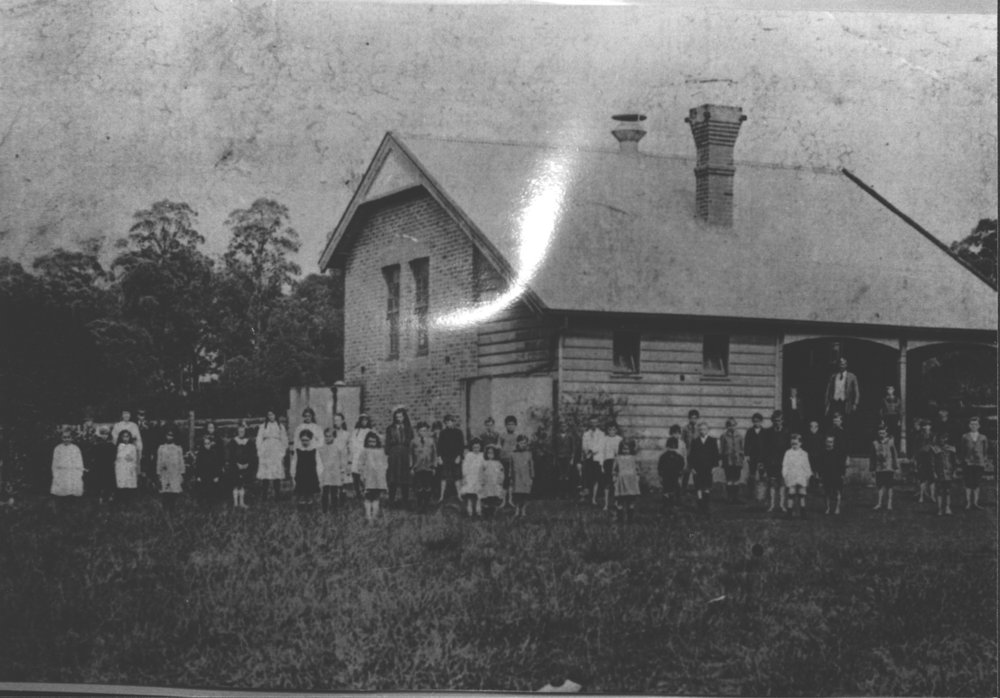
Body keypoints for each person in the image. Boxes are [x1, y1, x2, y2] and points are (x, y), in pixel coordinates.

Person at [688, 421, 719, 516]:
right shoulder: (695, 441)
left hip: (708, 468)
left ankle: (706, 505)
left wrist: (714, 466)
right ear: (698, 431)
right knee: (698, 486)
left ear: (708, 430)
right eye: (700, 429)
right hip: (698, 468)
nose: (702, 431)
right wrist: (692, 467)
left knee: (707, 486)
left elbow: (715, 454)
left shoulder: (712, 441)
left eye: (704, 429)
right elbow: (691, 455)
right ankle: (700, 504)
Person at [256, 410, 288, 502]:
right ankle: (264, 495)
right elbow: (259, 439)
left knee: (276, 473)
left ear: (276, 415)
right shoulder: (263, 426)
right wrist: (260, 450)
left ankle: (277, 495)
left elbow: (284, 439)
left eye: (273, 415)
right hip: (266, 451)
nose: (271, 417)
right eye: (269, 415)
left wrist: (282, 452)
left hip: (276, 451)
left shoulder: (280, 426)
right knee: (265, 473)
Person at [385, 407, 413, 507]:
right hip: (394, 454)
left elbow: (411, 442)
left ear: (404, 417)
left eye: (400, 417)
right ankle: (391, 500)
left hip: (405, 453)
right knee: (393, 477)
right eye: (397, 417)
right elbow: (387, 443)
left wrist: (410, 455)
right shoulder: (390, 428)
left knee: (405, 477)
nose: (399, 419)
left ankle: (405, 500)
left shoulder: (408, 428)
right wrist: (388, 454)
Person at [356, 431, 388, 522]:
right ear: (367, 442)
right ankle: (368, 515)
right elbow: (360, 463)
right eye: (369, 441)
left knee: (376, 497)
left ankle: (374, 516)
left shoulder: (380, 451)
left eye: (373, 441)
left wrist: (383, 473)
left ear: (377, 442)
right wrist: (362, 474)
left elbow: (384, 464)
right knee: (368, 497)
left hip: (378, 477)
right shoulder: (365, 451)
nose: (371, 443)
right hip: (368, 477)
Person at [960, 416, 989, 511]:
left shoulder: (983, 437)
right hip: (968, 463)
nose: (974, 426)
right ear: (969, 425)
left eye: (976, 424)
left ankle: (975, 503)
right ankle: (968, 503)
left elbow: (985, 451)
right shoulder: (965, 436)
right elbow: (962, 450)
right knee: (968, 483)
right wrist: (964, 460)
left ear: (979, 426)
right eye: (972, 424)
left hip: (979, 463)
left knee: (976, 483)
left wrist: (984, 460)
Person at [763, 411, 790, 513]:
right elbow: (765, 448)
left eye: (779, 420)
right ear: (772, 421)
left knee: (782, 484)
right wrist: (765, 462)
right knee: (772, 484)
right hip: (772, 462)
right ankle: (772, 505)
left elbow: (789, 448)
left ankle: (782, 505)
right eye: (775, 421)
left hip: (783, 462)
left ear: (782, 421)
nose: (777, 422)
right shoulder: (768, 432)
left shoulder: (787, 432)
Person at [225, 422, 256, 511]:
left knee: (242, 484)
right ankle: (235, 503)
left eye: (243, 431)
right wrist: (236, 464)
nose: (241, 433)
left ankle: (242, 502)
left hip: (245, 466)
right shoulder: (233, 442)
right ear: (237, 432)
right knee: (235, 484)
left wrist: (247, 463)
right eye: (239, 431)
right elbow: (230, 455)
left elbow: (252, 454)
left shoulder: (249, 442)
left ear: (245, 432)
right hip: (235, 466)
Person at [782, 434, 812, 519]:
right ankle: (789, 513)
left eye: (796, 443)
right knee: (791, 494)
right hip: (791, 476)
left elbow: (807, 466)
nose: (794, 445)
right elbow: (785, 465)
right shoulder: (788, 453)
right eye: (792, 444)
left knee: (802, 494)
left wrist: (808, 476)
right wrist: (785, 475)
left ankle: (803, 513)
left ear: (800, 443)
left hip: (801, 476)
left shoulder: (804, 453)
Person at [318, 427, 348, 513]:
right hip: (325, 472)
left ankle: (334, 509)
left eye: (329, 436)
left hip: (335, 472)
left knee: (334, 492)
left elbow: (342, 460)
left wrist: (342, 470)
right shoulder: (321, 448)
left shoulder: (338, 448)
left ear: (334, 437)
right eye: (326, 436)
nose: (327, 438)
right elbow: (320, 460)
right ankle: (324, 509)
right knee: (325, 492)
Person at [50, 428, 84, 502]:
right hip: (61, 473)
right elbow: (55, 462)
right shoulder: (58, 448)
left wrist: (79, 473)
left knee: (72, 491)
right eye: (64, 437)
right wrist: (55, 474)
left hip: (72, 472)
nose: (66, 439)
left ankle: (71, 503)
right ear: (61, 438)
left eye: (68, 437)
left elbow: (79, 461)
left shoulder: (75, 448)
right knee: (61, 492)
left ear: (71, 438)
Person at [410, 421, 438, 512]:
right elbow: (410, 454)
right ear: (418, 431)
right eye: (421, 430)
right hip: (418, 467)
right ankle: (419, 504)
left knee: (427, 486)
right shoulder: (413, 441)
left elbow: (434, 454)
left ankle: (426, 505)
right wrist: (411, 467)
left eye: (425, 430)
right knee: (419, 486)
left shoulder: (431, 441)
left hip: (428, 467)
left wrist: (434, 466)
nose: (423, 432)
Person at [871, 425, 899, 511]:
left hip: (888, 467)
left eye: (883, 433)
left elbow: (894, 455)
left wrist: (895, 466)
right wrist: (872, 468)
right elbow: (872, 456)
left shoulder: (890, 442)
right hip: (879, 467)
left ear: (886, 433)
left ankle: (889, 504)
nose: (881, 434)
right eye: (880, 433)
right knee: (879, 486)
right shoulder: (875, 443)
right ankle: (879, 503)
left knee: (889, 486)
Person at [437, 415, 465, 503]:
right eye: (447, 422)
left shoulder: (458, 432)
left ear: (453, 422)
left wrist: (459, 456)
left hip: (455, 457)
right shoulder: (443, 433)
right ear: (445, 423)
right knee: (443, 476)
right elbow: (439, 446)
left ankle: (459, 495)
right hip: (445, 458)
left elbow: (461, 445)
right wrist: (439, 457)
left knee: (457, 476)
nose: (449, 423)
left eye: (451, 421)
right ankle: (441, 496)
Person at [157, 429, 186, 512]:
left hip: (174, 472)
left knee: (174, 490)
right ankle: (165, 508)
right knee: (165, 490)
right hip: (165, 472)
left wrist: (182, 473)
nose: (169, 437)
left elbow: (181, 461)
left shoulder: (178, 448)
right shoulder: (161, 448)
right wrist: (158, 473)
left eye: (171, 436)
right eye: (168, 435)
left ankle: (172, 508)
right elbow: (159, 461)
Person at [194, 433, 225, 507]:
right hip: (203, 477)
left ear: (211, 444)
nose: (207, 445)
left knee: (212, 493)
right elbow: (198, 466)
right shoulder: (200, 454)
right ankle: (202, 507)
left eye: (208, 443)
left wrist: (217, 476)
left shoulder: (214, 453)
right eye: (205, 444)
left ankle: (211, 507)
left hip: (212, 476)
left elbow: (217, 466)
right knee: (203, 493)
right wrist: (198, 476)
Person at [824, 357, 860, 422]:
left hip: (845, 403)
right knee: (833, 420)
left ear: (846, 365)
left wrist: (855, 403)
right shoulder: (833, 376)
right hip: (834, 402)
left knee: (845, 421)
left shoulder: (852, 376)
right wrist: (827, 403)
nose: (842, 366)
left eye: (843, 364)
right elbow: (828, 390)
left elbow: (856, 392)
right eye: (840, 364)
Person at [613, 438, 641, 523]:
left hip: (631, 480)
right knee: (620, 500)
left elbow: (637, 470)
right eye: (623, 449)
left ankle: (630, 519)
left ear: (631, 449)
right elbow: (614, 469)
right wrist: (614, 477)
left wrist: (637, 477)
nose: (625, 451)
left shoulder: (633, 458)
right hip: (621, 480)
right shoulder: (618, 458)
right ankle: (620, 518)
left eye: (627, 449)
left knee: (631, 500)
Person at [291, 431, 322, 505]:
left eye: (307, 440)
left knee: (310, 487)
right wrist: (293, 474)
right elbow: (294, 463)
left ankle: (310, 498)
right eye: (303, 440)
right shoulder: (298, 451)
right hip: (300, 474)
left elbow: (319, 463)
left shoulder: (314, 451)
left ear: (310, 440)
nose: (305, 442)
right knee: (301, 487)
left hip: (311, 474)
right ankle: (302, 499)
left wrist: (320, 475)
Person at [719, 417, 745, 504]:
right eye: (730, 425)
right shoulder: (724, 436)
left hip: (737, 460)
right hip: (728, 460)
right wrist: (722, 459)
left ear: (736, 425)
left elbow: (742, 448)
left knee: (736, 479)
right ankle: (729, 497)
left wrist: (741, 458)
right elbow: (721, 449)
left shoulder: (740, 436)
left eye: (733, 425)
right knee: (729, 479)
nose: (732, 427)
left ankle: (735, 497)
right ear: (727, 426)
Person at [349, 414, 375, 501]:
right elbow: (352, 442)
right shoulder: (355, 431)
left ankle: (367, 491)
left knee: (365, 474)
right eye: (362, 420)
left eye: (366, 420)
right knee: (355, 473)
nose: (364, 422)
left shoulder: (370, 431)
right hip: (356, 454)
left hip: (365, 454)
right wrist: (353, 452)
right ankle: (358, 492)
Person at [580, 416, 605, 504]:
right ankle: (586, 496)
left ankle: (593, 498)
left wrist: (592, 450)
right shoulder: (586, 434)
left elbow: (600, 445)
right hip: (588, 458)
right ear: (589, 423)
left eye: (595, 422)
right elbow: (584, 445)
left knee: (596, 479)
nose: (593, 424)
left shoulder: (601, 434)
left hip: (597, 458)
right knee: (587, 478)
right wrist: (587, 451)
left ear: (598, 423)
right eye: (592, 422)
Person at [817, 435, 844, 515]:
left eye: (831, 442)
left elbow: (841, 464)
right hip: (826, 475)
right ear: (825, 442)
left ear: (833, 443)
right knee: (827, 493)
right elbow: (820, 464)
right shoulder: (822, 452)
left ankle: (837, 508)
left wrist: (842, 474)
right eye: (828, 442)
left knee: (837, 492)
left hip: (836, 475)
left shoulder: (838, 452)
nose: (829, 444)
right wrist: (820, 474)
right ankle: (828, 508)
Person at [598, 423, 623, 511]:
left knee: (616, 483)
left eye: (613, 430)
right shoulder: (604, 439)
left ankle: (616, 503)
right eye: (610, 430)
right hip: (607, 462)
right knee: (607, 484)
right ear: (607, 430)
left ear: (616, 430)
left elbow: (621, 453)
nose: (612, 431)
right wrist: (601, 465)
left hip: (616, 462)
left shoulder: (619, 439)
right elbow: (601, 452)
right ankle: (606, 504)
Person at [497, 416, 520, 509]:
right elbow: (499, 446)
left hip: (513, 461)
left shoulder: (517, 437)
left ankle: (510, 500)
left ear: (515, 425)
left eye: (512, 424)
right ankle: (503, 501)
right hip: (504, 460)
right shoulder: (502, 436)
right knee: (504, 480)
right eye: (509, 424)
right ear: (506, 426)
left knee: (511, 480)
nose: (510, 426)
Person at [90, 426, 117, 504]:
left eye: (106, 434)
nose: (104, 436)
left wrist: (113, 461)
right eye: (102, 434)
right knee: (100, 480)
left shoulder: (111, 445)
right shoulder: (96, 444)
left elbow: (114, 455)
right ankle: (100, 496)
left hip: (108, 465)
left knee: (109, 480)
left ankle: (109, 495)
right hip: (99, 465)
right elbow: (94, 455)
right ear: (100, 435)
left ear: (108, 435)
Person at [932, 431, 957, 516]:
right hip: (939, 472)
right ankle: (939, 509)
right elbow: (932, 462)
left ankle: (947, 508)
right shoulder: (935, 449)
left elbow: (954, 461)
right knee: (939, 490)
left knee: (947, 490)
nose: (943, 440)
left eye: (945, 438)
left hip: (949, 472)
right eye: (941, 438)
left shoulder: (951, 449)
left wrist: (954, 472)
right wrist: (934, 472)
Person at [657, 436, 685, 513]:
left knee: (672, 491)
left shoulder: (678, 457)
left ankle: (671, 506)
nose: (671, 449)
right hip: (668, 476)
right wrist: (660, 476)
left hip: (673, 477)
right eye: (670, 447)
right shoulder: (664, 457)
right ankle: (667, 506)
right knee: (668, 491)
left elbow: (681, 467)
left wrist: (680, 475)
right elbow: (660, 467)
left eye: (673, 447)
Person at [911, 419, 936, 504]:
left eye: (927, 426)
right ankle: (921, 496)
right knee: (922, 478)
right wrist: (915, 459)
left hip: (932, 458)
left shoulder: (933, 436)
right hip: (922, 458)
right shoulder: (919, 436)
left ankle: (932, 496)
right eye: (924, 426)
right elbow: (915, 448)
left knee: (932, 478)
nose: (926, 427)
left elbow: (935, 446)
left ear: (930, 427)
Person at [553, 421, 579, 500]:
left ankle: (567, 493)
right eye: (562, 426)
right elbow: (554, 448)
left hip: (567, 457)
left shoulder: (570, 436)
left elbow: (573, 448)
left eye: (565, 426)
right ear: (560, 427)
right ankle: (559, 493)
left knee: (567, 476)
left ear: (567, 427)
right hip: (559, 458)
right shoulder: (557, 436)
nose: (563, 428)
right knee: (560, 476)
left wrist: (572, 459)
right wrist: (555, 459)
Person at [510, 434, 534, 518]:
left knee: (525, 494)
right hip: (516, 477)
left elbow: (531, 466)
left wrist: (532, 476)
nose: (523, 445)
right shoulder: (513, 454)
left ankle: (523, 510)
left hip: (526, 477)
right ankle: (517, 510)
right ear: (517, 443)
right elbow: (511, 466)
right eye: (521, 443)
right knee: (517, 494)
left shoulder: (529, 453)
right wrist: (510, 477)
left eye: (525, 443)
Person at [479, 444, 506, 519]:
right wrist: (482, 481)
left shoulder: (498, 463)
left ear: (495, 454)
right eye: (488, 453)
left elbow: (501, 473)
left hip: (495, 483)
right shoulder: (484, 463)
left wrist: (500, 480)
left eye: (492, 453)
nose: (490, 454)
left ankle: (493, 513)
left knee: (494, 498)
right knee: (486, 498)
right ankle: (485, 513)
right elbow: (480, 473)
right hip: (487, 484)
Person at [459, 438, 485, 518]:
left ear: (480, 447)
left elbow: (484, 466)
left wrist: (484, 476)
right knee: (469, 493)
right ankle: (469, 509)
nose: (476, 449)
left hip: (479, 476)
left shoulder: (482, 455)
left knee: (479, 494)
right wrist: (464, 477)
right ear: (472, 447)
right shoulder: (469, 455)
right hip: (470, 476)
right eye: (474, 447)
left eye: (478, 447)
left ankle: (478, 509)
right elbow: (465, 466)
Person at [114, 429, 139, 501]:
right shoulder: (119, 446)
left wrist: (131, 459)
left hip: (129, 467)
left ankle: (129, 500)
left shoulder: (132, 447)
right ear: (121, 437)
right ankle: (121, 500)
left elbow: (134, 458)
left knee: (129, 483)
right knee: (121, 483)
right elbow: (117, 457)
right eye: (123, 437)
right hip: (120, 467)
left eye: (127, 436)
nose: (125, 438)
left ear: (129, 437)